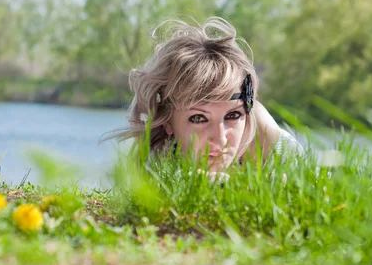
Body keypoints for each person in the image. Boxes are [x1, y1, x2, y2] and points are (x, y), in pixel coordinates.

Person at [107, 16, 303, 173]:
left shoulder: (265, 140)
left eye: (234, 116)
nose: (220, 140)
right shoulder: (159, 160)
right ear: (167, 121)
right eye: (198, 118)